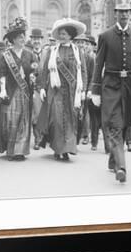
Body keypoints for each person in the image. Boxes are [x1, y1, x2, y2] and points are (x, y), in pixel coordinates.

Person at [91, 0, 131, 183]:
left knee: (124, 127)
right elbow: (98, 65)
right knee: (115, 125)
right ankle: (121, 167)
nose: (124, 15)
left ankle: (112, 160)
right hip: (111, 87)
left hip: (130, 89)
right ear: (115, 13)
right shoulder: (105, 36)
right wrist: (95, 90)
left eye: (127, 12)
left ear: (130, 13)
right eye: (120, 12)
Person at [38, 18, 87, 161]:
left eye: (64, 34)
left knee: (71, 120)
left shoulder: (78, 51)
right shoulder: (53, 51)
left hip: (72, 93)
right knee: (56, 120)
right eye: (60, 34)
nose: (61, 36)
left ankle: (67, 149)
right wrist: (42, 88)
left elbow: (83, 71)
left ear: (71, 35)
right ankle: (57, 148)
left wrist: (83, 90)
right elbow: (44, 71)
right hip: (56, 91)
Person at [0, 17, 37, 161]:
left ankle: (20, 151)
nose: (22, 39)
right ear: (12, 40)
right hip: (11, 91)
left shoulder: (29, 54)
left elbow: (35, 70)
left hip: (25, 92)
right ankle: (11, 151)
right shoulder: (6, 55)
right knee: (10, 120)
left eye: (23, 36)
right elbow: (2, 74)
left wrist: (33, 76)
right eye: (19, 37)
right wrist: (2, 90)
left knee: (23, 120)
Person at [73, 34, 92, 147]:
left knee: (83, 114)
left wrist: (88, 89)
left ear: (85, 44)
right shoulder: (72, 55)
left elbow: (91, 75)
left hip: (83, 89)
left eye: (82, 42)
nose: (80, 44)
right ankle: (74, 137)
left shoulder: (89, 58)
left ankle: (84, 135)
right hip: (73, 89)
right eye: (78, 42)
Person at [29, 28, 45, 150]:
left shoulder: (46, 53)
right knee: (36, 114)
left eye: (38, 39)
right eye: (34, 39)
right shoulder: (28, 54)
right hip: (34, 88)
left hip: (45, 87)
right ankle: (37, 139)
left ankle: (45, 137)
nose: (36, 41)